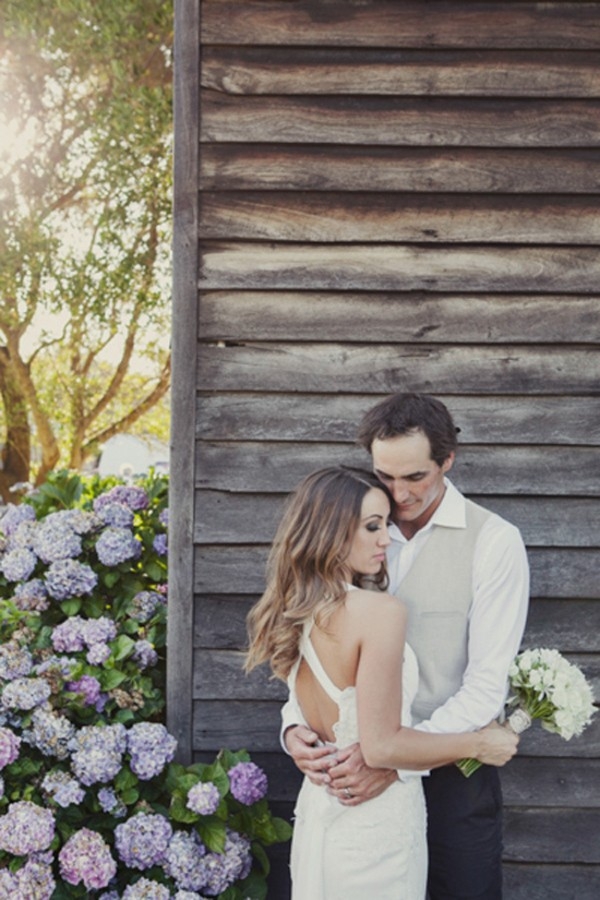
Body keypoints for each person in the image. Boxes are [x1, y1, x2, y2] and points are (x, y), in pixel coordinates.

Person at [281, 394, 530, 900]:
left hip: (453, 779)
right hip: (349, 777)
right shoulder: (354, 530)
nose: (398, 494)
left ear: (447, 462)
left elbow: (485, 685)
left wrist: (392, 759)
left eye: (414, 477)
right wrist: (293, 726)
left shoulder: (494, 542)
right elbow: (319, 642)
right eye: (385, 476)